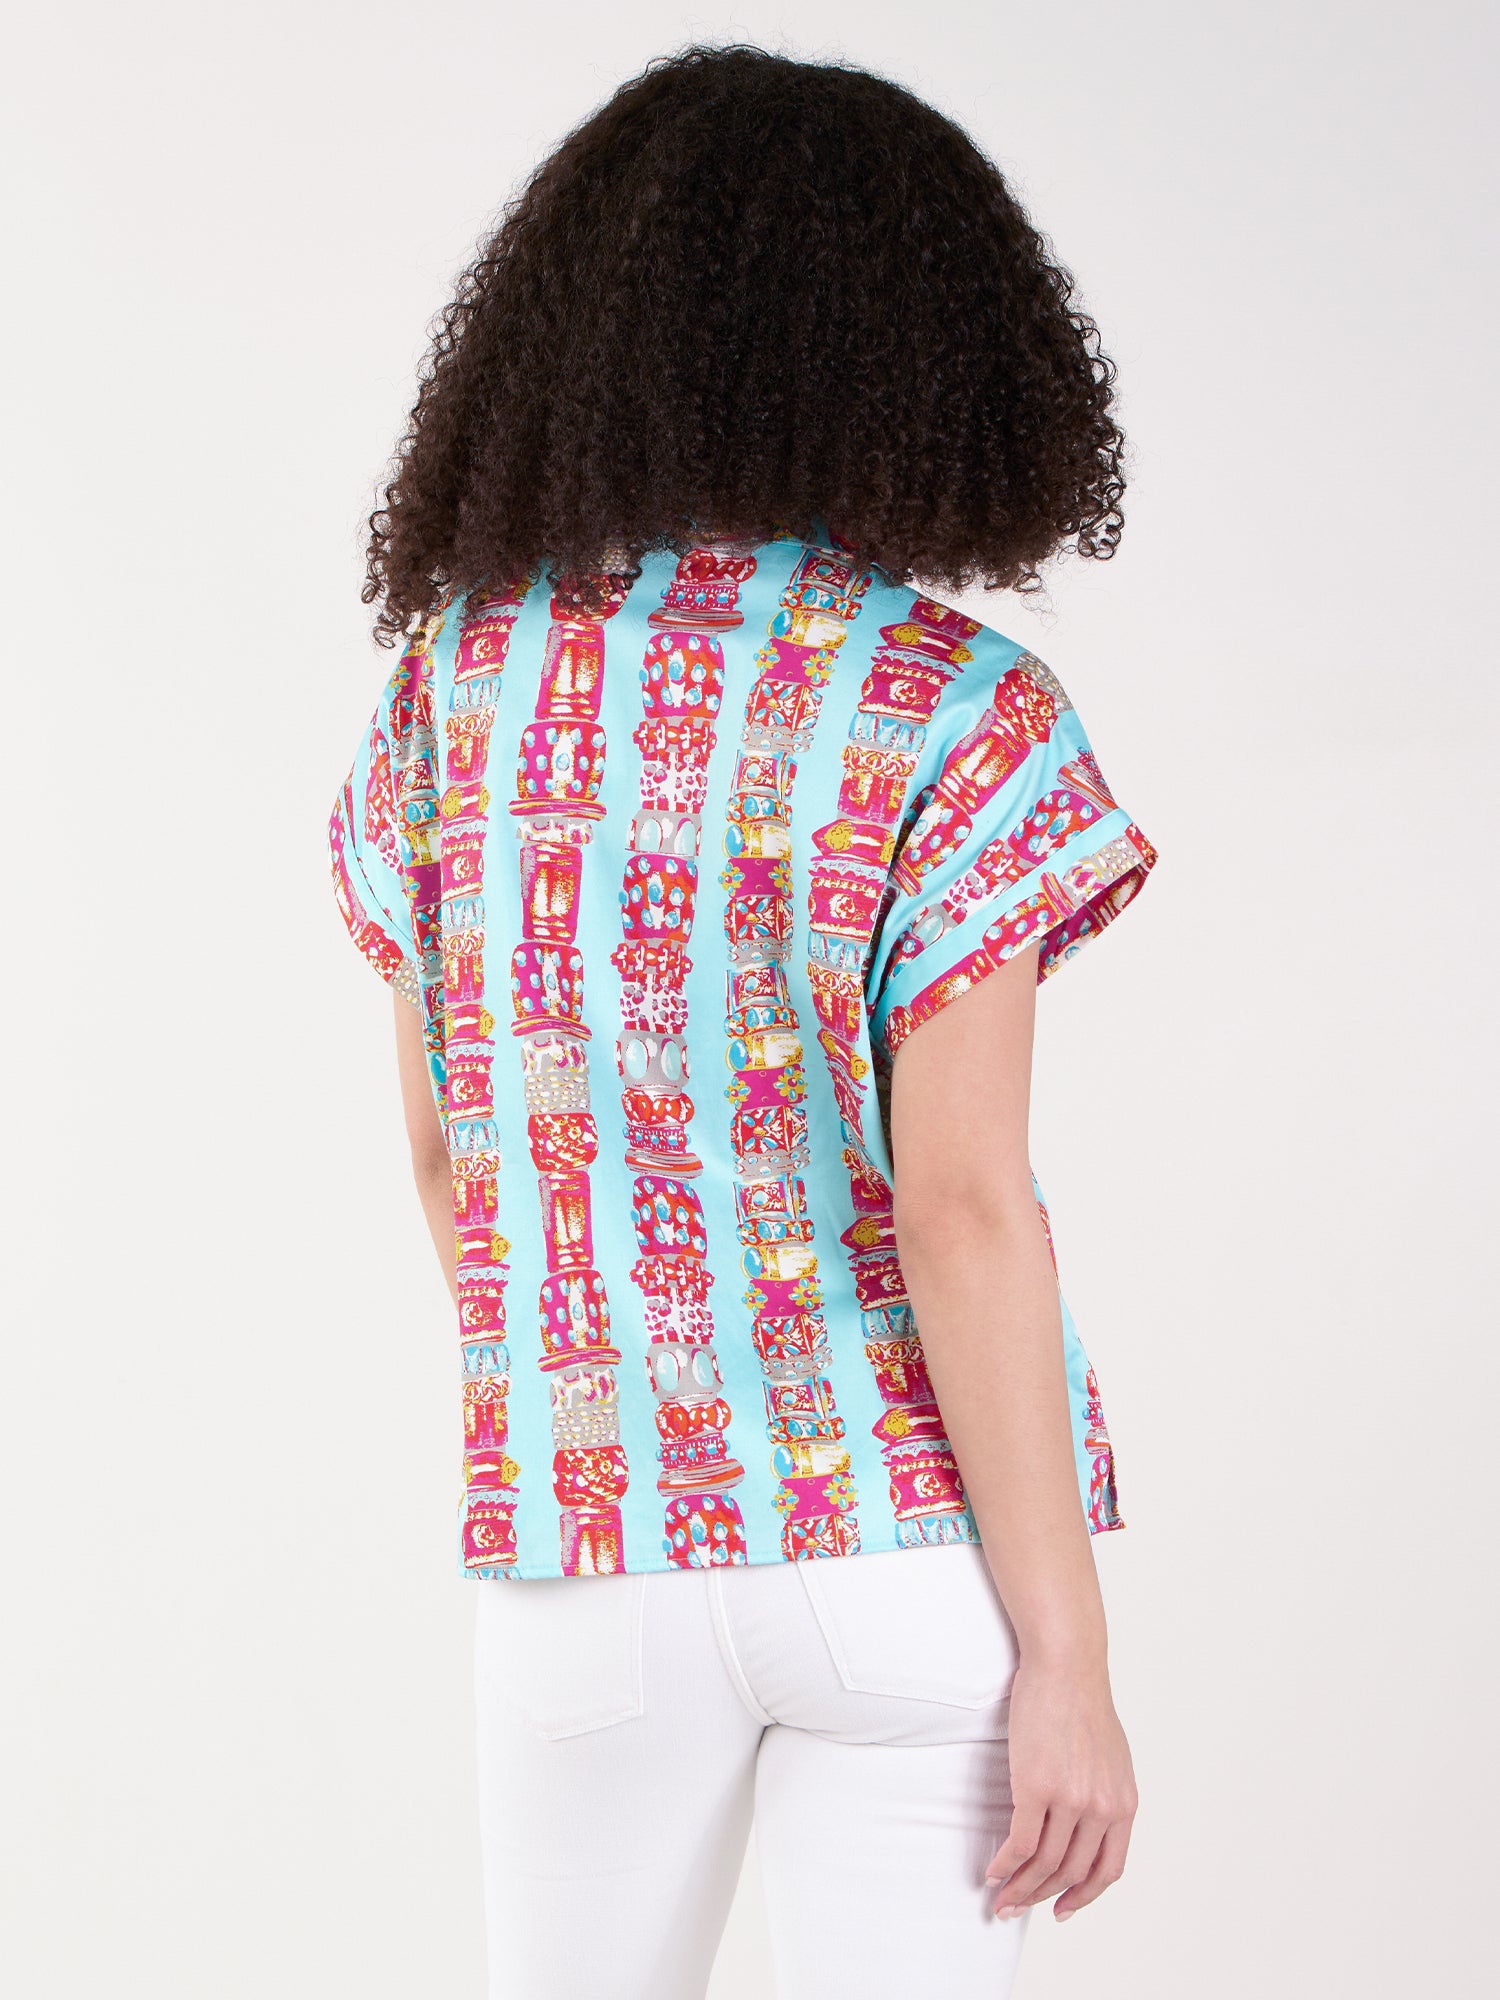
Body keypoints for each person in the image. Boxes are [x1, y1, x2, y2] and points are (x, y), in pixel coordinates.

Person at [327, 43, 1154, 2000]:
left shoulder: (451, 688)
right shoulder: (956, 705)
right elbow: (962, 1208)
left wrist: (607, 1388)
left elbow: (450, 1153)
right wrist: (1068, 1655)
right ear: (924, 357)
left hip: (587, 1556)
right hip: (894, 1545)